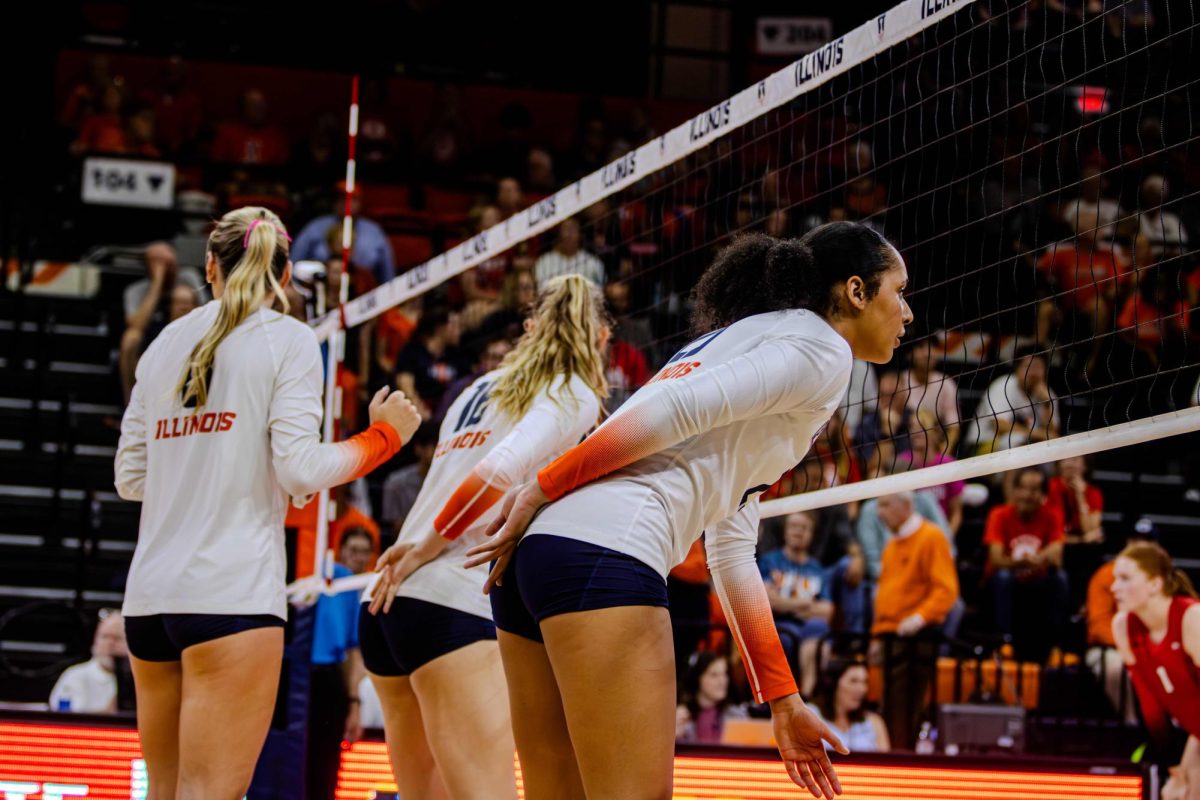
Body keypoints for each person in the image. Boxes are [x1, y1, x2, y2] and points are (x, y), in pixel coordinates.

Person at [469, 222, 913, 799]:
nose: (907, 313)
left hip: (540, 557)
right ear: (856, 291)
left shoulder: (750, 339)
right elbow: (677, 408)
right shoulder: (823, 349)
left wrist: (783, 699)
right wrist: (542, 485)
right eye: (898, 291)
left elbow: (730, 550)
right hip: (604, 551)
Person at [114, 206, 421, 800]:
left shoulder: (163, 344)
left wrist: (199, 465)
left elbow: (131, 478)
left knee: (166, 792)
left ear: (210, 266)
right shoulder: (289, 339)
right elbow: (300, 467)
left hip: (149, 600)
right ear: (283, 275)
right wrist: (385, 437)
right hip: (230, 597)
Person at [362, 274, 608, 800]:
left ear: (529, 328)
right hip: (453, 600)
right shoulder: (572, 391)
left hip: (386, 605)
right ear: (602, 336)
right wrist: (428, 547)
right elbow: (495, 475)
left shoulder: (474, 388)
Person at [1111, 542, 1200, 800]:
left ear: (1155, 584)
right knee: (1173, 792)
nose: (1115, 587)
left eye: (1125, 578)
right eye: (1115, 578)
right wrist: (1175, 768)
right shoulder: (1123, 627)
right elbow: (1151, 707)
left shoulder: (1191, 618)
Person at [307, 528, 373, 800]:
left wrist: (354, 703)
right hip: (306, 676)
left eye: (363, 552)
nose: (357, 557)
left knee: (323, 764)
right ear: (341, 549)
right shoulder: (324, 575)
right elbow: (351, 650)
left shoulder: (353, 588)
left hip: (326, 681)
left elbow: (352, 650)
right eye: (353, 550)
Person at [984, 468, 1068, 660]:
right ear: (1014, 491)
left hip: (1037, 582)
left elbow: (1057, 553)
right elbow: (996, 559)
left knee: (1060, 578)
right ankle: (1003, 643)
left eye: (1034, 490)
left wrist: (1036, 559)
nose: (1027, 495)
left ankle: (1055, 646)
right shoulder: (999, 514)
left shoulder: (1052, 515)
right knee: (1003, 577)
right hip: (1006, 580)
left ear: (1043, 495)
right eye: (1022, 488)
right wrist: (1022, 563)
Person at [761, 512, 834, 697]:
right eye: (793, 526)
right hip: (779, 626)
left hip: (808, 627)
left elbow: (827, 611)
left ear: (811, 534)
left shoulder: (816, 568)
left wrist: (786, 604)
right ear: (785, 531)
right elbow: (767, 601)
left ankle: (808, 697)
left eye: (804, 528)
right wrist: (804, 603)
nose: (798, 532)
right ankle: (779, 699)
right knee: (784, 639)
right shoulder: (770, 561)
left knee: (819, 628)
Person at [290, 185, 397, 286]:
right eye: (341, 199)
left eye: (352, 199)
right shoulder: (315, 227)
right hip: (320, 289)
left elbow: (387, 277)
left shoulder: (373, 232)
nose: (346, 203)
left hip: (361, 294)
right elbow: (294, 265)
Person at [49, 610, 128, 713]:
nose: (109, 644)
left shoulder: (138, 681)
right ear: (95, 641)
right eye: (104, 637)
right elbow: (69, 721)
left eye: (117, 638)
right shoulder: (75, 675)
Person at [810, 659, 890, 753]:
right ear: (833, 683)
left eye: (865, 682)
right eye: (854, 681)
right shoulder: (811, 714)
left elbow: (886, 763)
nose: (862, 689)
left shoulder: (874, 722)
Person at [675, 653, 748, 744]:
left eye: (725, 674)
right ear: (698, 678)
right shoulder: (681, 717)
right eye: (714, 675)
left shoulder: (738, 716)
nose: (722, 681)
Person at [380, 422, 438, 534]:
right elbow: (395, 528)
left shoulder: (450, 478)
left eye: (436, 445)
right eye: (428, 446)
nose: (432, 451)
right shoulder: (396, 482)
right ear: (418, 448)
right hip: (406, 541)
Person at [533, 217, 606, 288]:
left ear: (580, 234)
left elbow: (599, 290)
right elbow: (541, 290)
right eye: (565, 229)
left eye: (573, 229)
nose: (569, 235)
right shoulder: (545, 261)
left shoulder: (592, 262)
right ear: (559, 234)